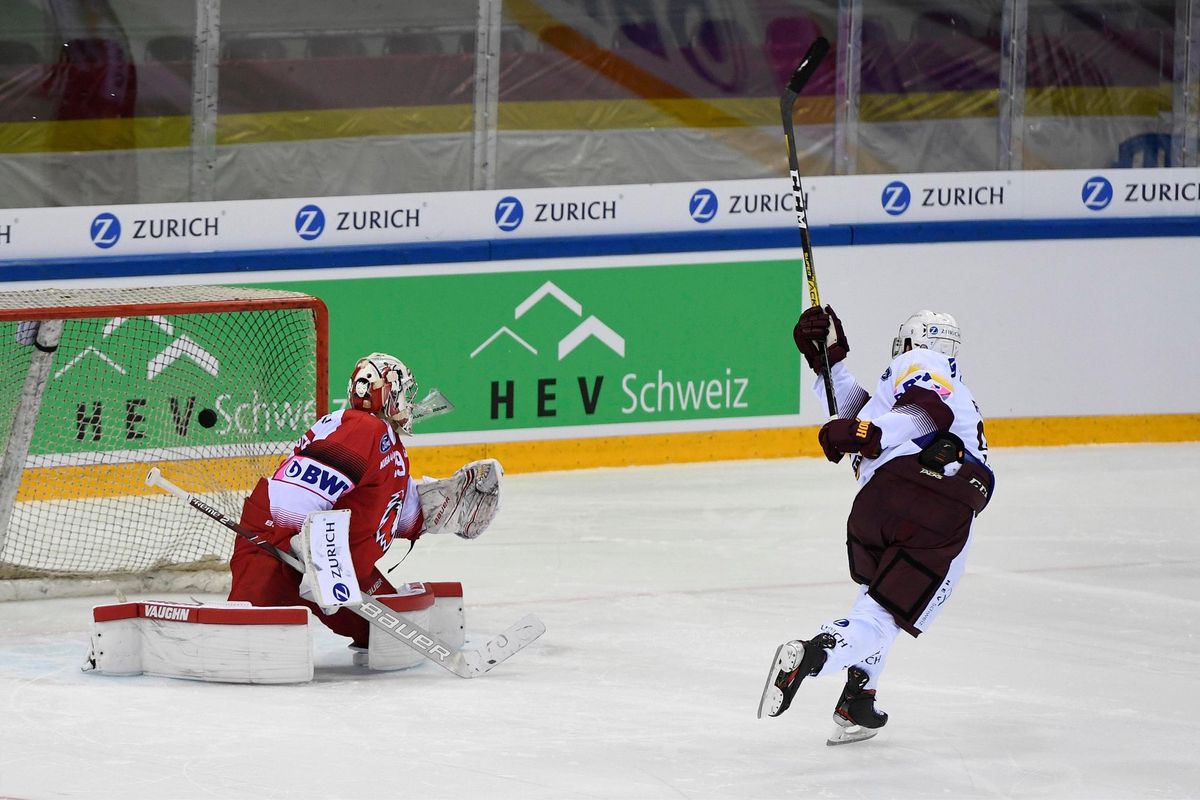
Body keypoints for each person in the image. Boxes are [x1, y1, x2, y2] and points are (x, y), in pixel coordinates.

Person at [758, 307, 995, 745]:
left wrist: (828, 362)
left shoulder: (916, 373)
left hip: (879, 503)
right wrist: (866, 427)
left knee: (877, 604)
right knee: (886, 614)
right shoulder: (931, 369)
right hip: (939, 505)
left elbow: (868, 417)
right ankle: (814, 655)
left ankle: (857, 700)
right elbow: (925, 414)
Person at [228, 352, 501, 648]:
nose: (406, 401)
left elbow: (387, 509)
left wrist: (445, 506)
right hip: (278, 550)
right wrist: (316, 559)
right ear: (384, 393)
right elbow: (296, 493)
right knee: (247, 640)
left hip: (339, 565)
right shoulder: (361, 428)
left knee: (390, 638)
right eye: (401, 392)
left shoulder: (388, 443)